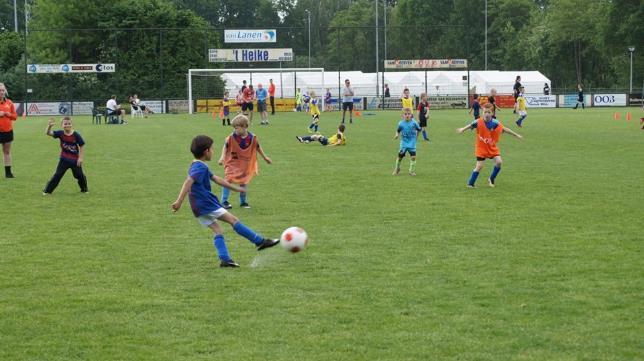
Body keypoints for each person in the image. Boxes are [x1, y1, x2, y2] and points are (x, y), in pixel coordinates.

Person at [171, 134, 279, 268]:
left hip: (197, 206)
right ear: (206, 151)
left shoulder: (198, 165)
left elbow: (217, 179)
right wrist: (179, 201)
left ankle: (225, 259)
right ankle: (259, 241)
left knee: (218, 230)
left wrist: (235, 188)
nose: (213, 151)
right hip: (205, 203)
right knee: (233, 220)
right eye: (212, 149)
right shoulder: (200, 167)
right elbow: (188, 181)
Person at [456, 103, 523, 188]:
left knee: (499, 162)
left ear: (492, 113)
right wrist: (462, 129)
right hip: (481, 148)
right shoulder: (478, 121)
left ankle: (491, 178)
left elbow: (505, 129)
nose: (486, 114)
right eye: (485, 112)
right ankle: (470, 184)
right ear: (482, 112)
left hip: (491, 147)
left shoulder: (496, 123)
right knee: (479, 166)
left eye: (488, 112)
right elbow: (470, 125)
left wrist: (516, 135)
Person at [217, 114, 272, 210]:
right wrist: (222, 157)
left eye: (236, 128)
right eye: (234, 128)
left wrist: (265, 157)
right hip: (232, 163)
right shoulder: (232, 137)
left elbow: (257, 147)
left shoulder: (252, 138)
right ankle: (224, 201)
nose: (235, 130)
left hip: (244, 164)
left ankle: (243, 202)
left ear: (245, 126)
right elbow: (225, 146)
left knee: (243, 182)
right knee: (228, 179)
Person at [43, 117, 88, 194]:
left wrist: (80, 158)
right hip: (64, 159)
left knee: (79, 175)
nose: (67, 125)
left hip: (75, 160)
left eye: (69, 123)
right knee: (57, 175)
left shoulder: (76, 135)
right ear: (62, 125)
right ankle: (47, 191)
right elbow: (48, 133)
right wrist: (49, 126)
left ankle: (84, 189)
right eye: (65, 124)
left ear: (72, 125)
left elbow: (81, 145)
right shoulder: (60, 133)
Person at [393, 107, 421, 176]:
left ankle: (411, 171)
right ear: (402, 116)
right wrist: (396, 135)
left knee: (413, 157)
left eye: (409, 114)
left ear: (411, 115)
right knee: (400, 157)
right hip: (404, 143)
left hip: (412, 143)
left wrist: (416, 138)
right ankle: (397, 169)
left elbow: (419, 130)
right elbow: (398, 130)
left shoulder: (414, 123)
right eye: (405, 114)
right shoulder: (401, 123)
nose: (407, 115)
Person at [0, 83, 18, 178]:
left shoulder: (9, 102)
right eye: (0, 90)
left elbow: (15, 117)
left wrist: (8, 114)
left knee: (6, 152)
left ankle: (8, 173)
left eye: (2, 90)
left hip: (7, 131)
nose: (1, 92)